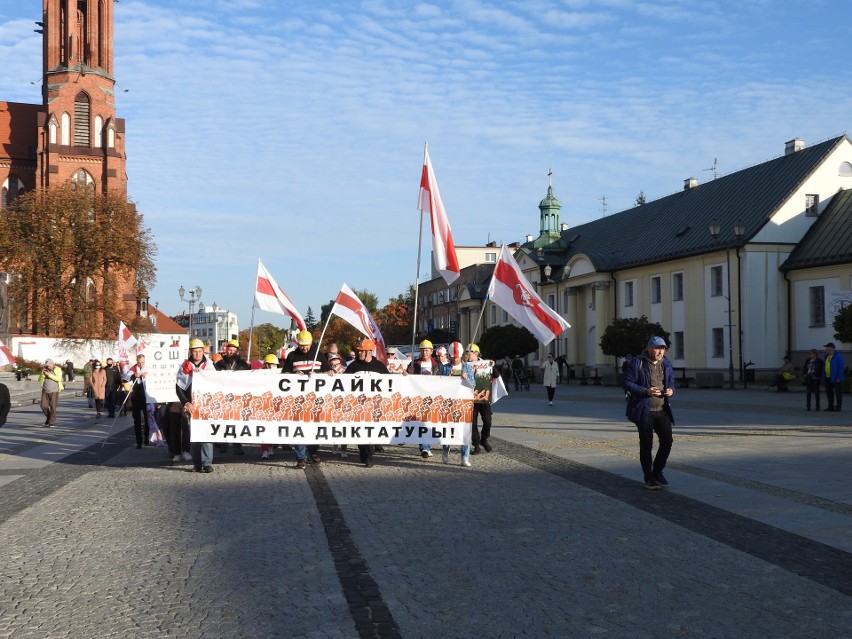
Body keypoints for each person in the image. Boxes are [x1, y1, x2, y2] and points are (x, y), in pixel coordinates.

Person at [623, 336, 675, 490]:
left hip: (662, 409)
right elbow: (627, 382)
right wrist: (645, 391)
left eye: (663, 348)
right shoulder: (637, 363)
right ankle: (648, 477)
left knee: (667, 441)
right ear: (649, 348)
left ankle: (658, 472)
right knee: (647, 444)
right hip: (644, 410)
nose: (660, 351)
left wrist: (671, 390)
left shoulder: (665, 363)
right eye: (657, 348)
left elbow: (671, 380)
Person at [283, 330, 328, 467]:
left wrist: (319, 374)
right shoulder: (292, 356)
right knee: (299, 426)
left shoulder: (319, 355)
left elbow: (329, 372)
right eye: (302, 345)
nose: (304, 348)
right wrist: (293, 374)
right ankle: (300, 456)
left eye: (306, 345)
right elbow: (284, 374)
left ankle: (313, 451)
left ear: (311, 343)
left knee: (314, 426)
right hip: (298, 399)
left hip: (315, 398)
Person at [344, 338, 389, 467]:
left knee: (371, 431)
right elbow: (343, 382)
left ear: (369, 352)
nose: (359, 353)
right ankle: (363, 453)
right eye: (359, 351)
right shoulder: (353, 365)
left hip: (374, 406)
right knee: (361, 432)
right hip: (358, 405)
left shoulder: (379, 366)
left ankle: (369, 456)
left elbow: (391, 383)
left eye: (362, 351)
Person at [176, 338, 217, 473]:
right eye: (195, 351)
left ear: (203, 352)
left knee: (206, 435)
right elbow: (179, 387)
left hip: (206, 405)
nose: (198, 354)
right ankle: (197, 463)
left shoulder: (209, 366)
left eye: (200, 351)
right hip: (191, 405)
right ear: (191, 352)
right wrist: (185, 402)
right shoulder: (185, 367)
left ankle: (207, 463)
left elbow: (216, 385)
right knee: (194, 436)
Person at [215, 339, 251, 455]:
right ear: (226, 351)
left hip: (238, 396)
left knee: (237, 422)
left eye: (233, 350)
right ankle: (223, 443)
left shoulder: (243, 364)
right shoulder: (220, 364)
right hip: (224, 396)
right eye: (229, 350)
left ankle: (237, 445)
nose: (231, 352)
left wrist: (249, 368)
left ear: (237, 351)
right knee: (223, 420)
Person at [440, 341, 472, 467]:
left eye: (457, 357)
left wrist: (467, 378)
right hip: (449, 403)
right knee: (447, 428)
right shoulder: (445, 367)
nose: (455, 359)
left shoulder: (467, 367)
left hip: (463, 403)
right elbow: (439, 383)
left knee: (464, 430)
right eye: (453, 357)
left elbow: (473, 385)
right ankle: (446, 449)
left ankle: (465, 457)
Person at [407, 339, 437, 458]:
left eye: (427, 350)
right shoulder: (414, 364)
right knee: (421, 421)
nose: (425, 353)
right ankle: (424, 447)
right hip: (418, 397)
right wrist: (408, 373)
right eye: (423, 350)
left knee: (429, 422)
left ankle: (426, 446)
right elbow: (407, 377)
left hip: (432, 397)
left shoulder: (437, 364)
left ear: (431, 351)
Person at [467, 343, 498, 454]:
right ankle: (476, 445)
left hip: (484, 398)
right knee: (472, 423)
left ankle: (484, 439)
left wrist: (493, 366)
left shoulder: (486, 363)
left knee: (488, 421)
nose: (468, 355)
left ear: (476, 354)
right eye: (467, 353)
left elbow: (497, 375)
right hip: (470, 399)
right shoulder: (465, 365)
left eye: (469, 352)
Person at [259, 353, 279, 460]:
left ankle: (271, 447)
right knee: (264, 429)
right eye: (272, 364)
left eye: (275, 365)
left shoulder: (278, 375)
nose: (274, 367)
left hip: (274, 405)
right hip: (263, 405)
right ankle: (265, 450)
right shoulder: (259, 375)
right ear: (266, 365)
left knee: (273, 428)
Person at [129, 354, 150, 448]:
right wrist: (134, 375)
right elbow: (126, 377)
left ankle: (146, 437)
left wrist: (146, 375)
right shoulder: (133, 368)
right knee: (137, 420)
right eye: (139, 362)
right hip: (136, 396)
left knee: (147, 419)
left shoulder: (148, 367)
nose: (141, 364)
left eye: (143, 362)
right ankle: (139, 441)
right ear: (137, 361)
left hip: (147, 396)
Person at [38, 358, 64, 427]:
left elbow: (59, 379)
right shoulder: (44, 369)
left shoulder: (57, 369)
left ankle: (51, 422)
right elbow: (40, 379)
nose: (47, 366)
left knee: (53, 406)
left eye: (48, 365)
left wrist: (49, 375)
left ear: (52, 364)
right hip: (45, 390)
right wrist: (43, 375)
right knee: (43, 406)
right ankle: (49, 417)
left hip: (54, 390)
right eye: (46, 365)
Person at [824, 342, 845, 412]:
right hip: (828, 377)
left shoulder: (838, 356)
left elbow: (841, 367)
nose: (826, 349)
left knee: (838, 393)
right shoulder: (826, 356)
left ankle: (838, 407)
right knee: (829, 393)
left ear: (832, 348)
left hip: (836, 378)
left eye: (827, 348)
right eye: (826, 348)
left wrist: (839, 377)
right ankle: (830, 406)